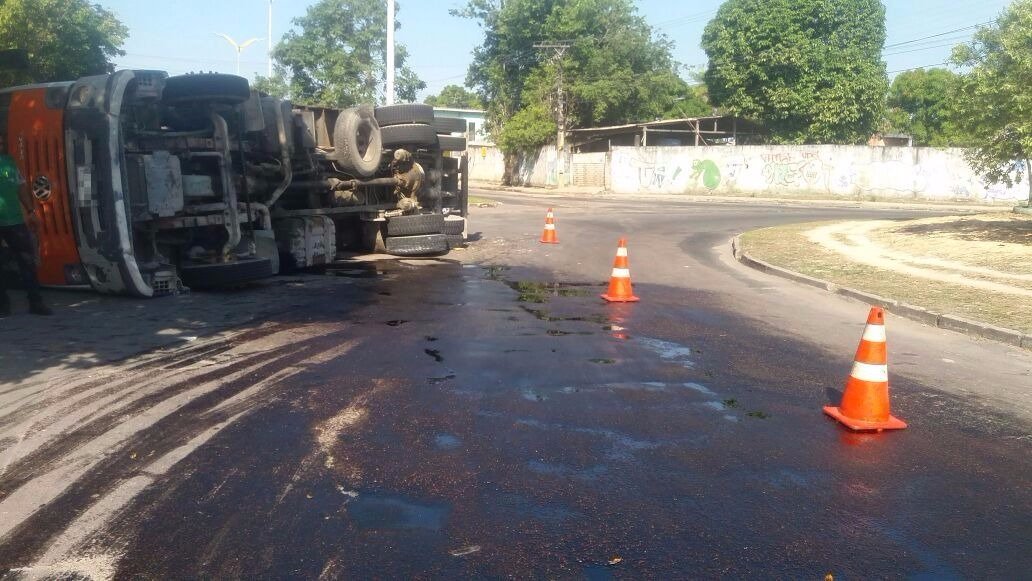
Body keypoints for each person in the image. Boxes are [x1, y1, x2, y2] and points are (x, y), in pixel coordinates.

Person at [0, 140, 52, 316]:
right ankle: (3, 305)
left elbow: (21, 187)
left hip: (14, 220)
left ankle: (35, 302)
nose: (0, 146)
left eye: (1, 143)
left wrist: (30, 211)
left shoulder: (9, 162)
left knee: (27, 261)